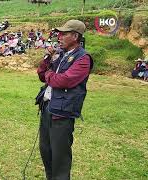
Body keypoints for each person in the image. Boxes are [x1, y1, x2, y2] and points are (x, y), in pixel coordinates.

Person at [37, 20, 93, 180]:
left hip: (62, 114)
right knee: (46, 151)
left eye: (64, 34)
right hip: (48, 108)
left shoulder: (83, 59)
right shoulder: (60, 54)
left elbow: (63, 81)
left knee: (60, 157)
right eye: (59, 34)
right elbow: (42, 74)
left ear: (75, 36)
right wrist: (48, 58)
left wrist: (50, 75)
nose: (59, 37)